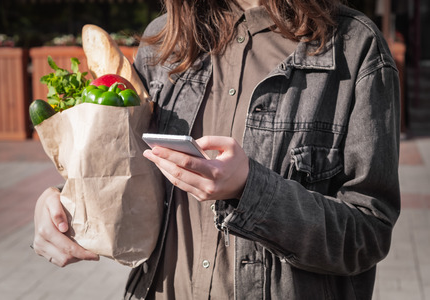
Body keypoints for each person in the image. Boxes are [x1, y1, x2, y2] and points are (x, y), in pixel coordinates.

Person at [32, 0, 401, 299]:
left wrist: (251, 190)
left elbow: (368, 235)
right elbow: (127, 171)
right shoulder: (164, 41)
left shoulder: (354, 47)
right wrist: (64, 203)